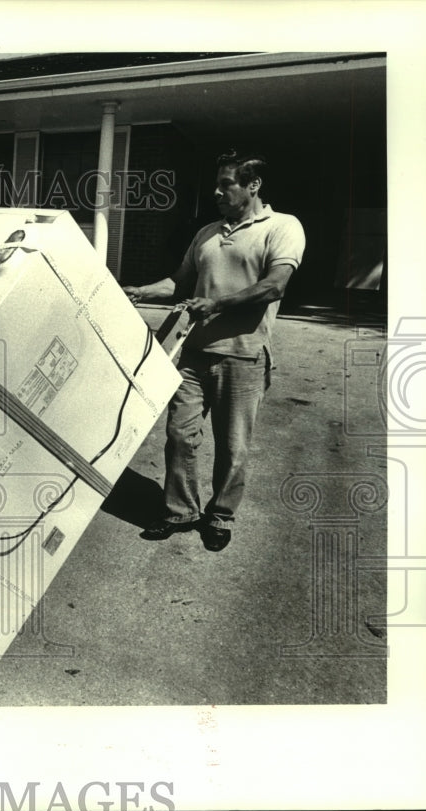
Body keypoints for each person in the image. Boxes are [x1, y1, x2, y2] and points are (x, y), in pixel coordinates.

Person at [122, 150, 305, 552]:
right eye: (217, 183)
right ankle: (180, 510)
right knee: (179, 434)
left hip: (242, 355)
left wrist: (218, 304)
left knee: (233, 444)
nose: (217, 191)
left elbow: (275, 285)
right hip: (193, 353)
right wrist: (141, 290)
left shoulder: (282, 227)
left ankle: (220, 515)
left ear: (253, 185)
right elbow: (180, 282)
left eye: (227, 184)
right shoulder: (207, 232)